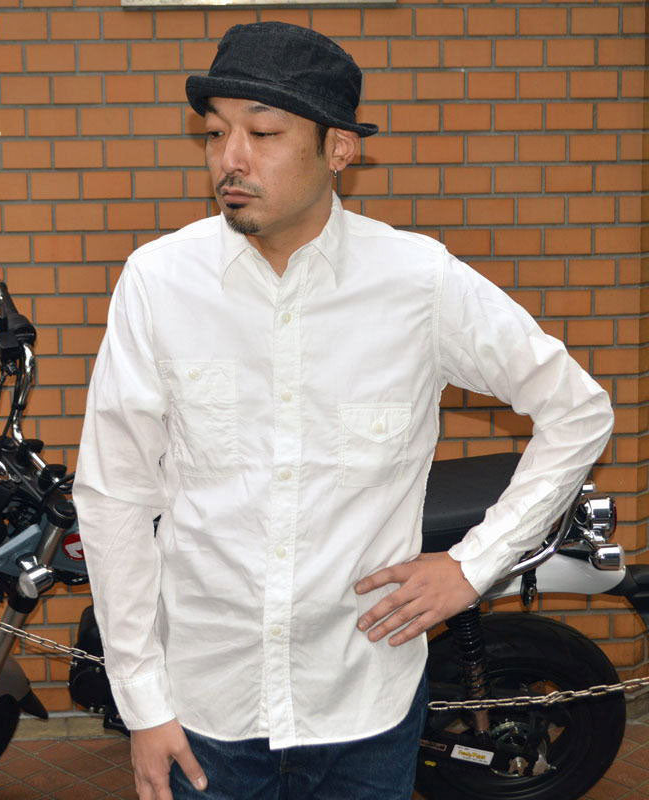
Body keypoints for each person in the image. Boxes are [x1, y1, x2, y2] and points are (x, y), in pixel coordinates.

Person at [72, 21, 614, 800]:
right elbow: (115, 496)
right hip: (205, 710)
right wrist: (143, 703)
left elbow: (578, 410)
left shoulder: (418, 281)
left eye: (263, 133)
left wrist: (474, 566)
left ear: (338, 149)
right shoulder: (160, 283)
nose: (230, 158)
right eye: (216, 132)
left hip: (365, 705)